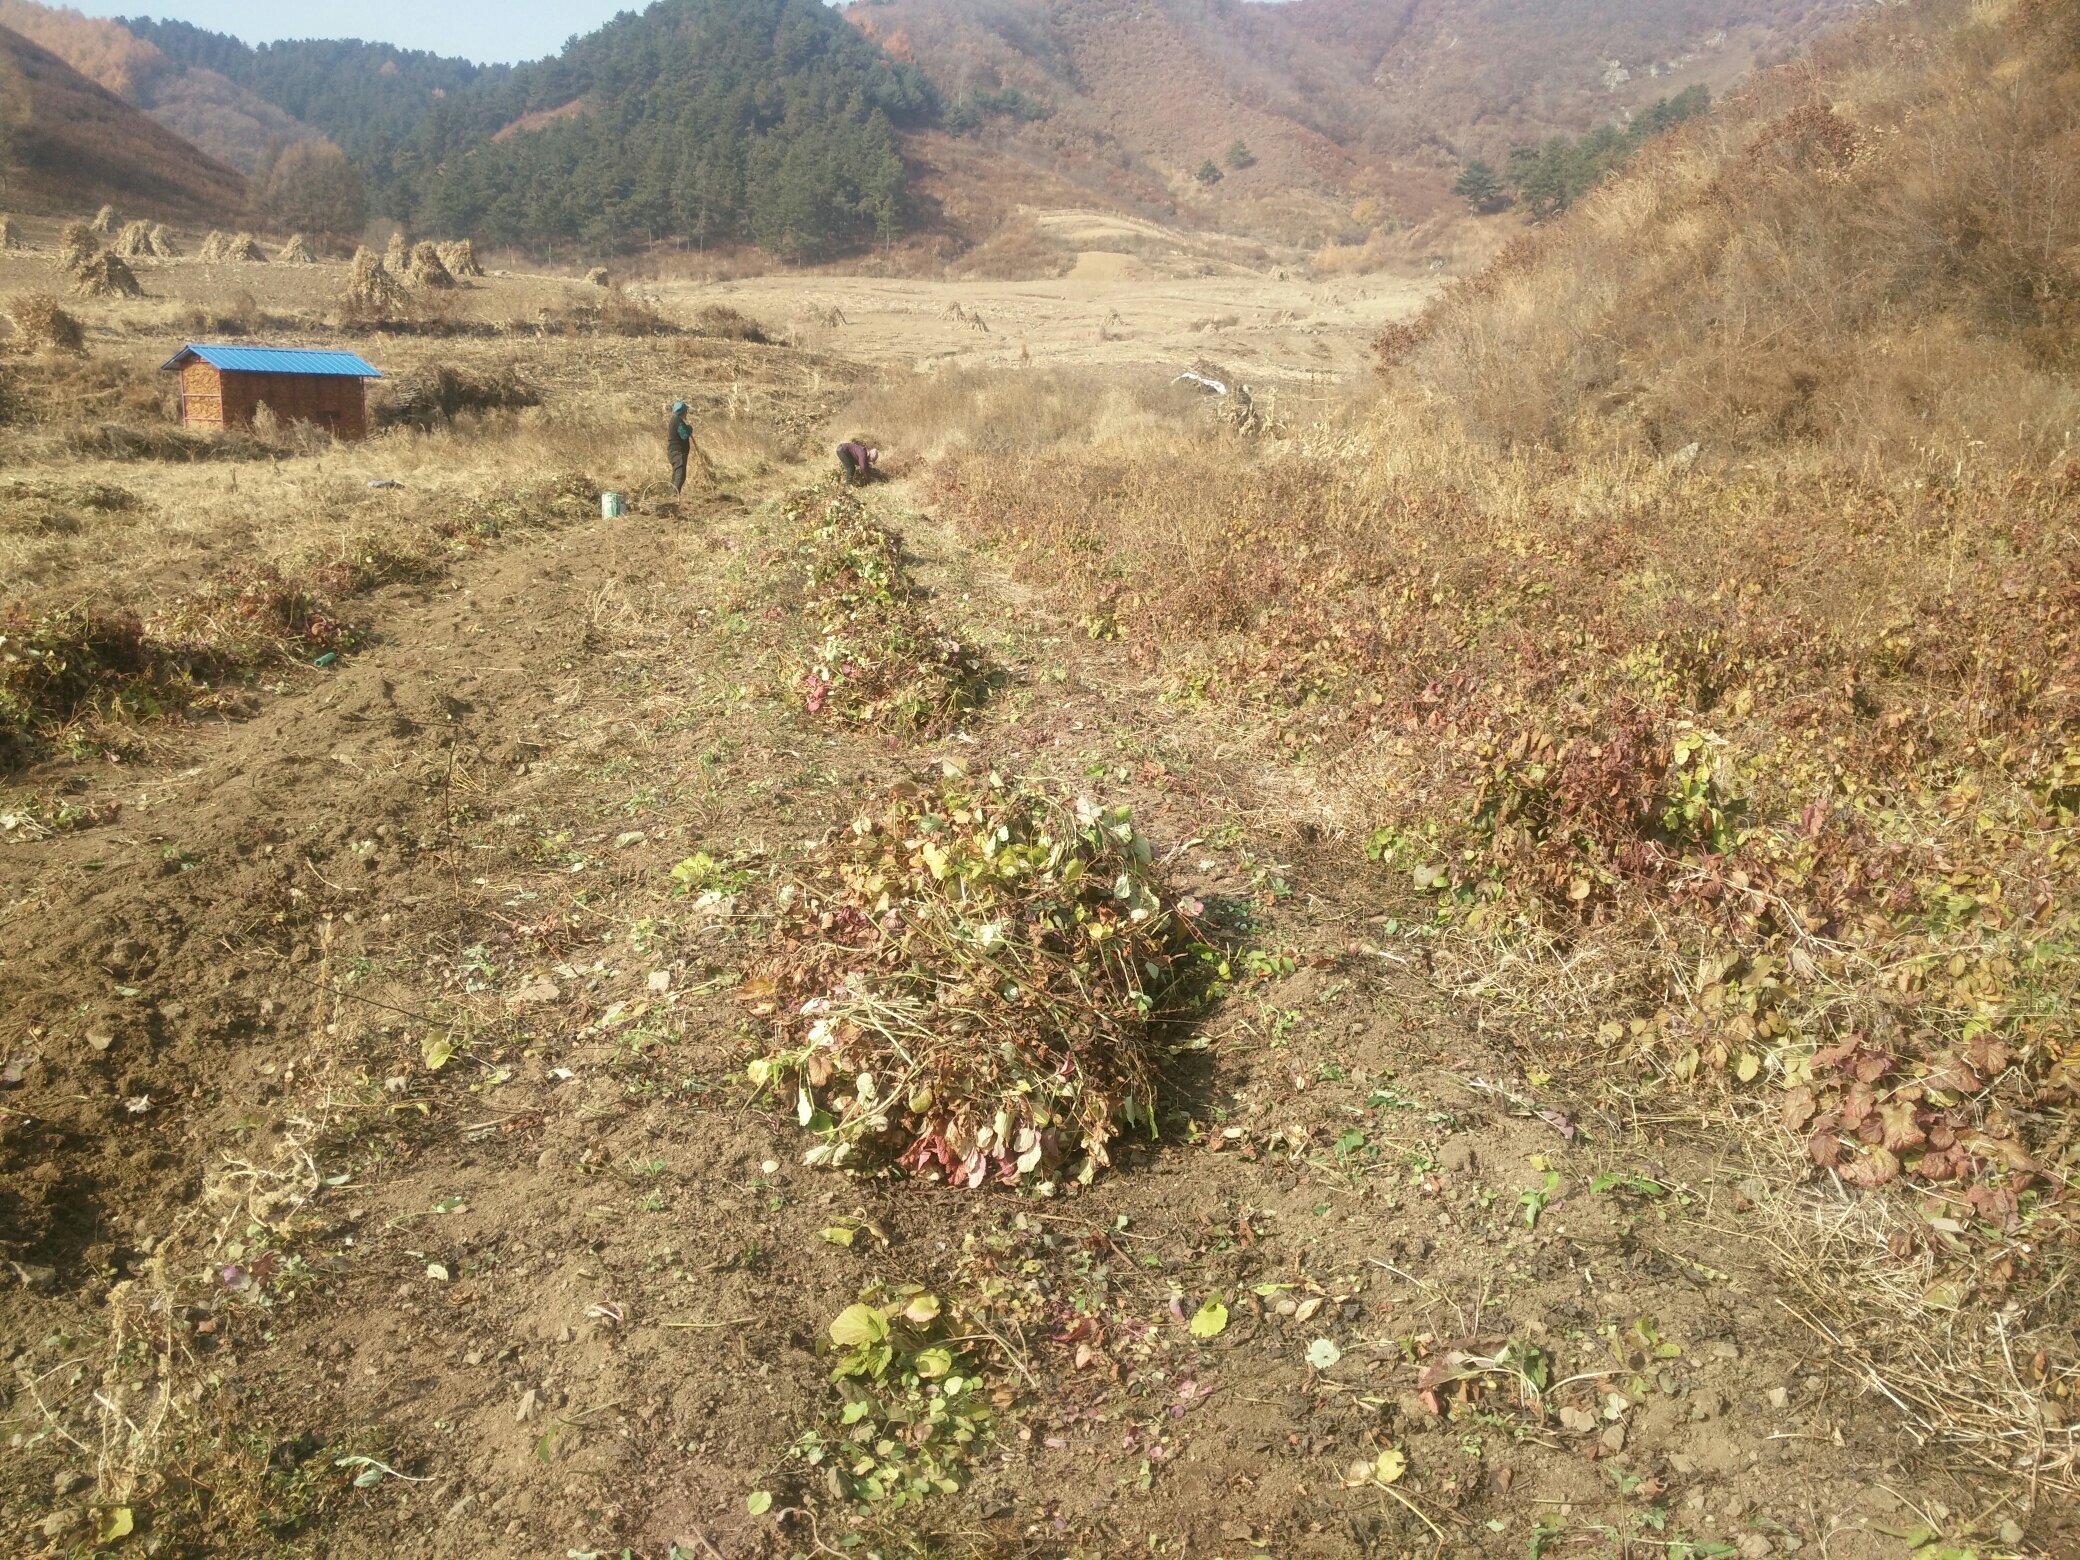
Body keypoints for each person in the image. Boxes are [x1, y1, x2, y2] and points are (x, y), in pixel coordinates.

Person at [666, 401, 693, 493]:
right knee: (680, 476)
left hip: (673, 452)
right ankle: (674, 497)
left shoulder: (675, 420)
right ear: (683, 412)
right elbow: (684, 435)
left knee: (676, 476)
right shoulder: (677, 421)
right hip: (678, 452)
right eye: (686, 411)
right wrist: (689, 429)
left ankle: (672, 496)